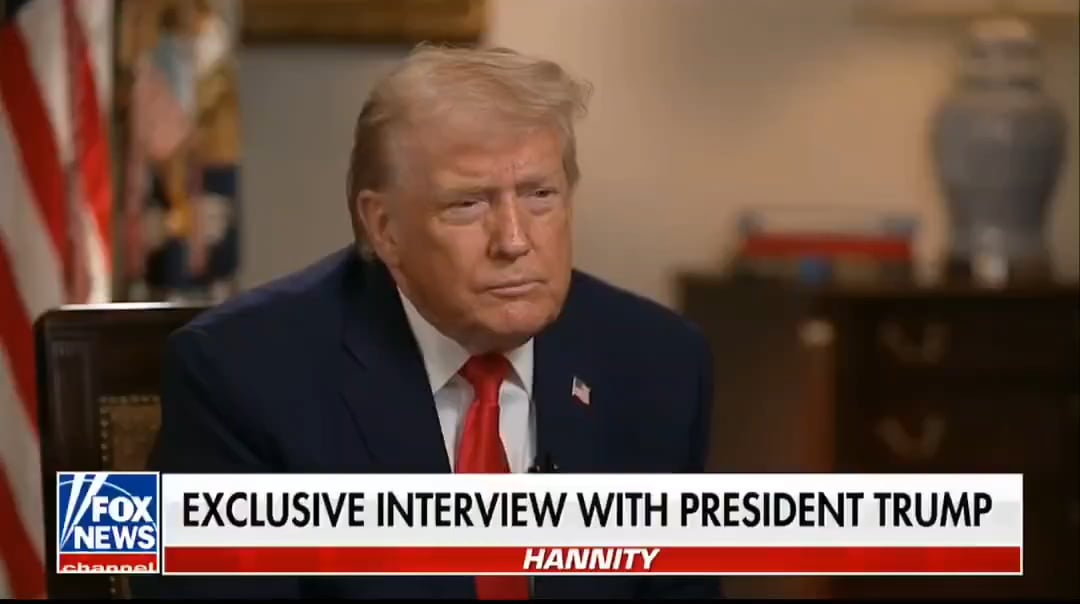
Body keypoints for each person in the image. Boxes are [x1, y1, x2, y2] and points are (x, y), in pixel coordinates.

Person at [132, 45, 722, 600]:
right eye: (468, 203)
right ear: (384, 227)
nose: (514, 240)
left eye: (540, 195)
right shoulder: (242, 377)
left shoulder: (658, 364)